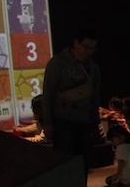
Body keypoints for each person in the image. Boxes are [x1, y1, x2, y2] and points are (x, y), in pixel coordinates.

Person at [41, 29, 101, 159]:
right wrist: (47, 124)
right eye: (85, 47)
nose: (88, 51)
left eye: (92, 48)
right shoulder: (57, 63)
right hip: (63, 123)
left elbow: (95, 98)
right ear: (76, 43)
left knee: (83, 162)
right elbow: (48, 95)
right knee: (66, 162)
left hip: (85, 123)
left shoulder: (93, 68)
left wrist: (95, 123)